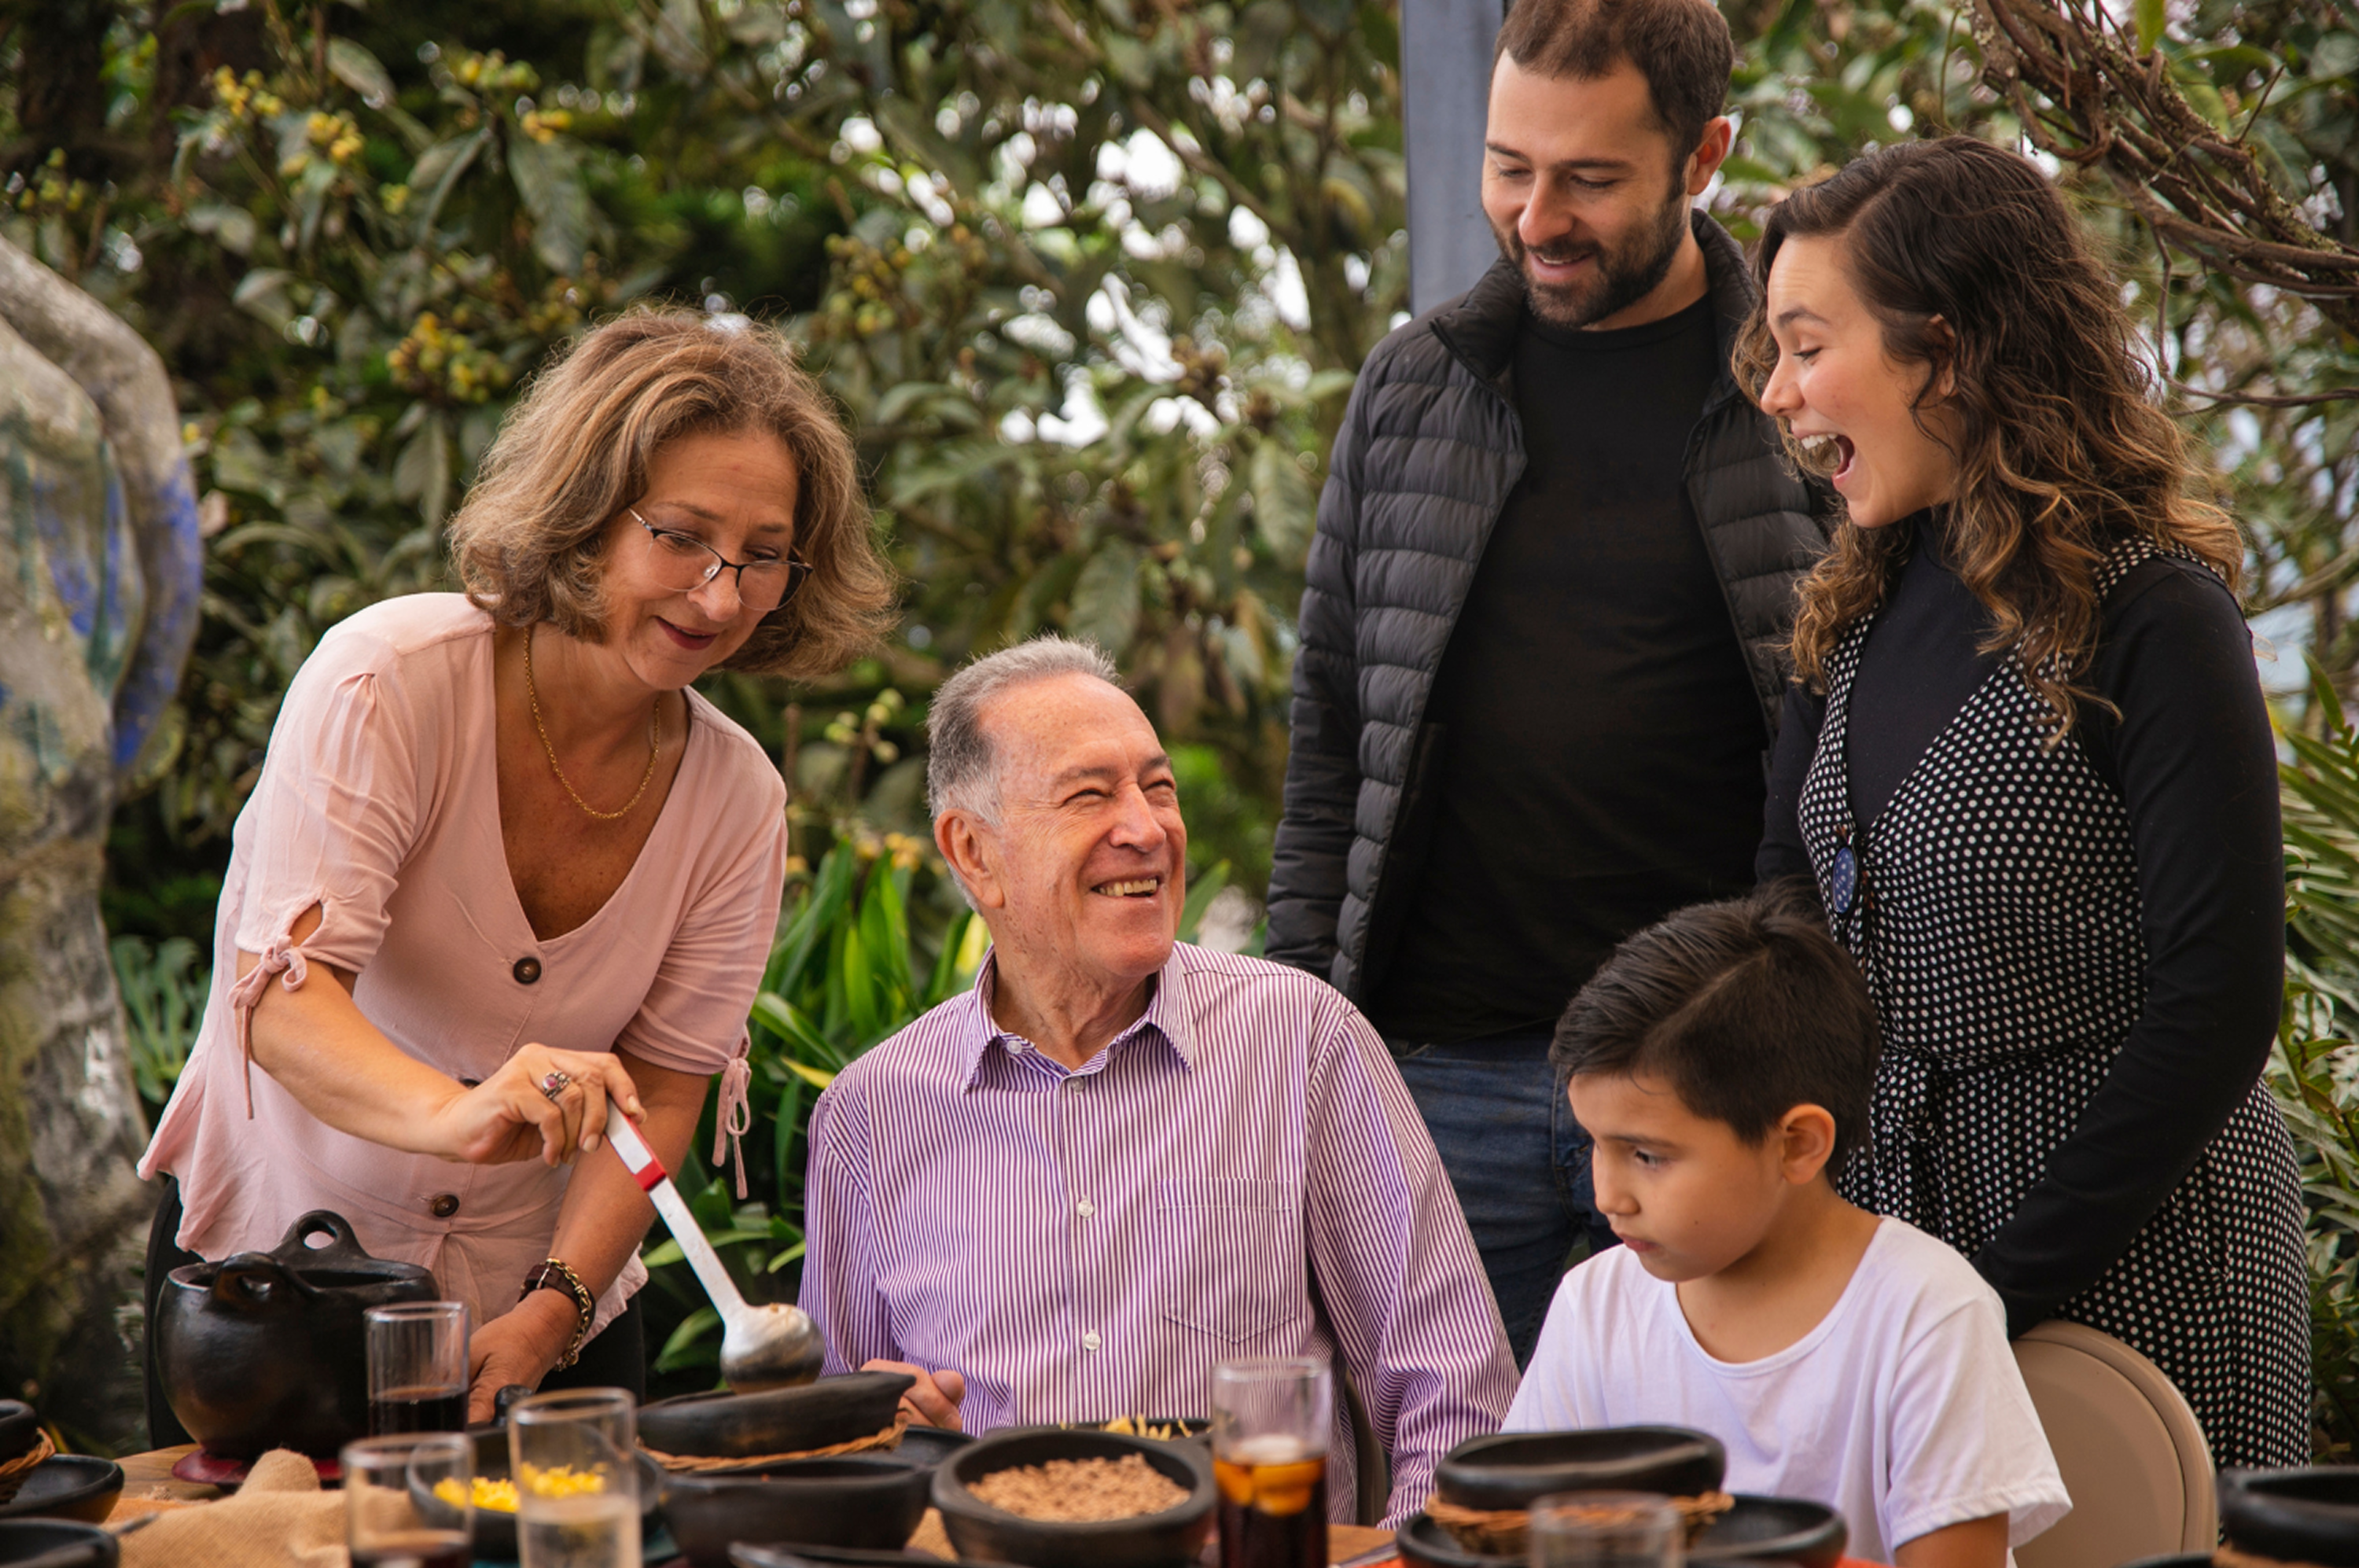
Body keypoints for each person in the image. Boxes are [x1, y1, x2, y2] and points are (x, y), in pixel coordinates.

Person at [137, 307, 896, 1436]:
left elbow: (672, 1083)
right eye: (682, 535)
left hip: (546, 1321)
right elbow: (284, 1008)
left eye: (765, 554)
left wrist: (555, 1307)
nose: (722, 594)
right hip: (275, 1306)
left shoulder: (739, 801)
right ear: (588, 516)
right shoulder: (385, 682)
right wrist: (462, 1113)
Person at [1261, 0, 1830, 1364]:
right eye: (1511, 166)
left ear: (1705, 159)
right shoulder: (1412, 388)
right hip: (1443, 1076)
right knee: (1466, 1500)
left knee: (1725, 1498)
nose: (1536, 216)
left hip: (1715, 1087)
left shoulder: (1797, 398)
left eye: (1589, 178)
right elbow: (1333, 741)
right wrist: (1296, 1047)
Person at [1746, 135, 2309, 1468]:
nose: (1778, 391)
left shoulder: (2151, 608)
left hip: (2140, 1270)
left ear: (1944, 353)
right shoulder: (1855, 608)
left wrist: (1996, 1282)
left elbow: (2219, 1000)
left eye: (1808, 343)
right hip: (1913, 1267)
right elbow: (1781, 912)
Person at [796, 637, 1518, 1524]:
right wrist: (890, 1434)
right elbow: (836, 1453)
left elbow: (1457, 1396)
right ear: (974, 852)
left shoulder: (1299, 1041)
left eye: (1159, 786)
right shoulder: (870, 1115)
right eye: (1090, 794)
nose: (1146, 827)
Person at [1507, 885, 2071, 1566]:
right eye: (1595, 1143)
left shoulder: (1928, 1312)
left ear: (1798, 1144)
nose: (1608, 1196)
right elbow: (1526, 1539)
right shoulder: (1593, 1306)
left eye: (1647, 1156)